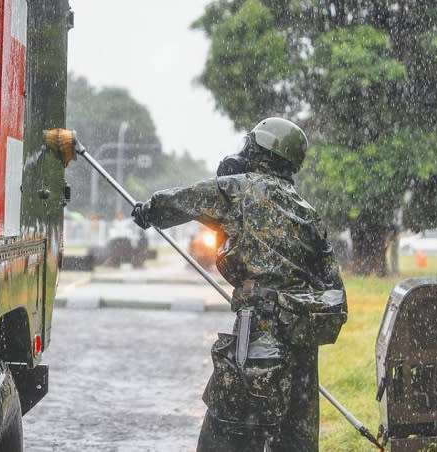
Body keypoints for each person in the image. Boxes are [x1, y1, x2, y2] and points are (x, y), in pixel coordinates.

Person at [131, 118, 347, 451]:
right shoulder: (310, 214)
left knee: (230, 429)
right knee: (294, 438)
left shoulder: (241, 189)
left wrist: (149, 211)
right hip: (301, 344)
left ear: (261, 150)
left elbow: (184, 200)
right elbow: (333, 289)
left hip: (257, 336)